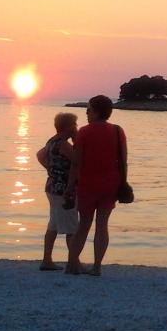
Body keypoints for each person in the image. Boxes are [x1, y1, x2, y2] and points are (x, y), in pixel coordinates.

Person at [65, 95, 128, 276]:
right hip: (111, 184)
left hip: (88, 184)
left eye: (89, 109)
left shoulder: (84, 132)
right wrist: (123, 182)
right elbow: (123, 161)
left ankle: (72, 264)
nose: (86, 112)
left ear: (97, 112)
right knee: (102, 224)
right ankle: (97, 266)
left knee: (83, 225)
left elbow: (76, 163)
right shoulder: (118, 131)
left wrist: (70, 186)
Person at [35, 112, 78, 271]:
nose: (76, 127)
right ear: (68, 126)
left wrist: (51, 169)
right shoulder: (64, 145)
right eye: (74, 124)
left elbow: (39, 154)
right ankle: (74, 262)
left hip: (52, 187)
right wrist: (77, 140)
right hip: (64, 190)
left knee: (53, 225)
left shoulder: (52, 141)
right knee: (72, 228)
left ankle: (47, 260)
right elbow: (79, 162)